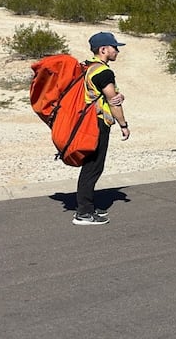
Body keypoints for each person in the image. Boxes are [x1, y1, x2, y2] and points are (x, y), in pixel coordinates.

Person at [73, 32, 130, 225]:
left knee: (91, 166)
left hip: (88, 122)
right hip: (97, 124)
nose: (117, 51)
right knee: (93, 167)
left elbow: (108, 95)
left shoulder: (89, 67)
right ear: (103, 49)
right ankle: (84, 212)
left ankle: (87, 206)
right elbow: (113, 102)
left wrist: (118, 96)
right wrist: (123, 125)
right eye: (115, 47)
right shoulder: (104, 72)